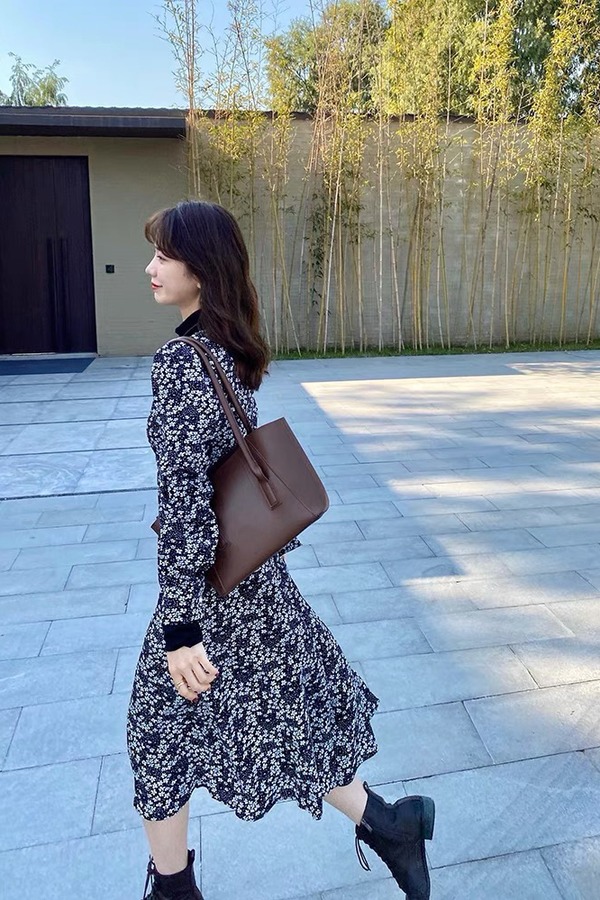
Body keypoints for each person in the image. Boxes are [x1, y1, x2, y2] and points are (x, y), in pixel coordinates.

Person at [126, 200, 436, 900]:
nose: (149, 268)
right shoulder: (226, 350)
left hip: (209, 592)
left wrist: (181, 628)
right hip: (252, 580)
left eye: (163, 255)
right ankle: (391, 826)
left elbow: (185, 504)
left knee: (157, 735)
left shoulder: (181, 361)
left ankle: (174, 891)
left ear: (202, 267)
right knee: (286, 715)